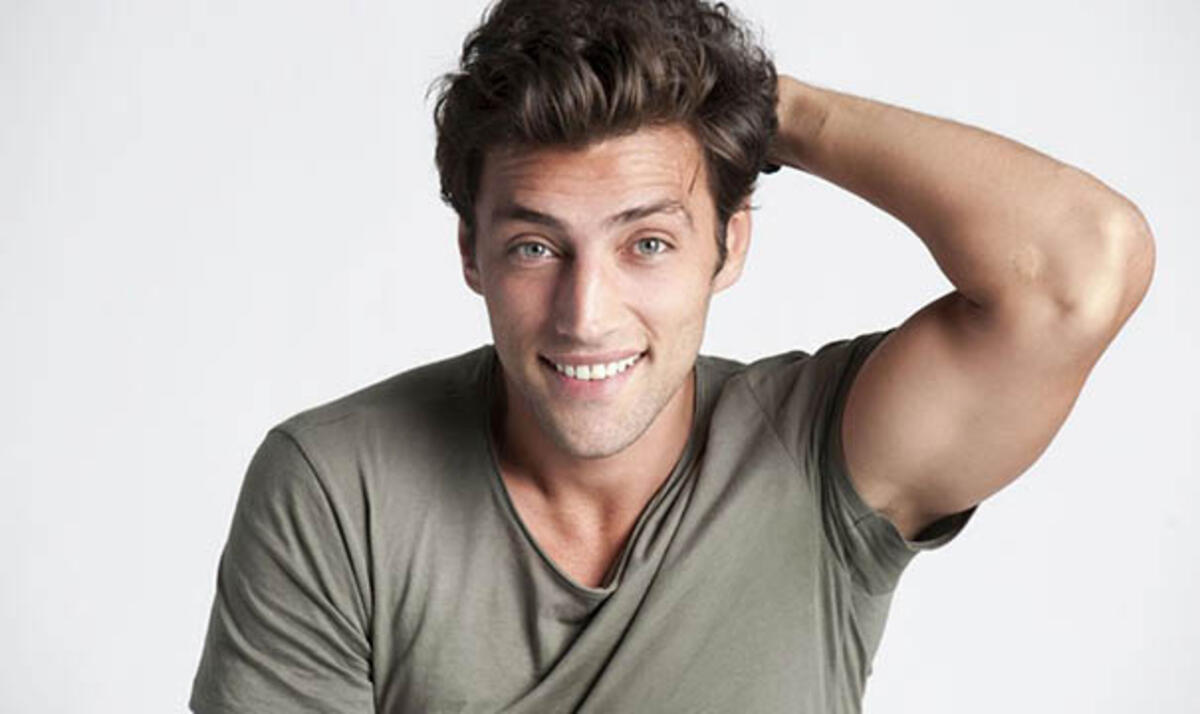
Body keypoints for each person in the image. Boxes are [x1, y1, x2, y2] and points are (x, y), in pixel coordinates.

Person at [189, 0, 1155, 712]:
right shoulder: (339, 487)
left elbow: (1082, 269)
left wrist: (763, 107)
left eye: (646, 242)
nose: (586, 314)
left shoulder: (824, 459)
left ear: (728, 247)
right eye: (535, 247)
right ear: (470, 254)